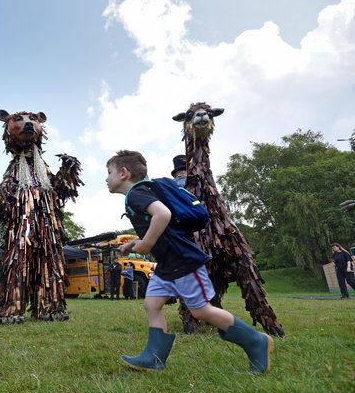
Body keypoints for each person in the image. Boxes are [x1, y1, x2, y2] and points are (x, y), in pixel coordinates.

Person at [106, 149, 273, 374]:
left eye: (109, 172)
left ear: (124, 173)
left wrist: (145, 245)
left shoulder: (137, 194)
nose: (106, 178)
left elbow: (163, 215)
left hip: (184, 262)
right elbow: (162, 227)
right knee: (152, 304)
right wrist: (135, 242)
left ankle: (256, 341)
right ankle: (154, 357)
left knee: (202, 311)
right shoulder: (140, 194)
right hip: (168, 266)